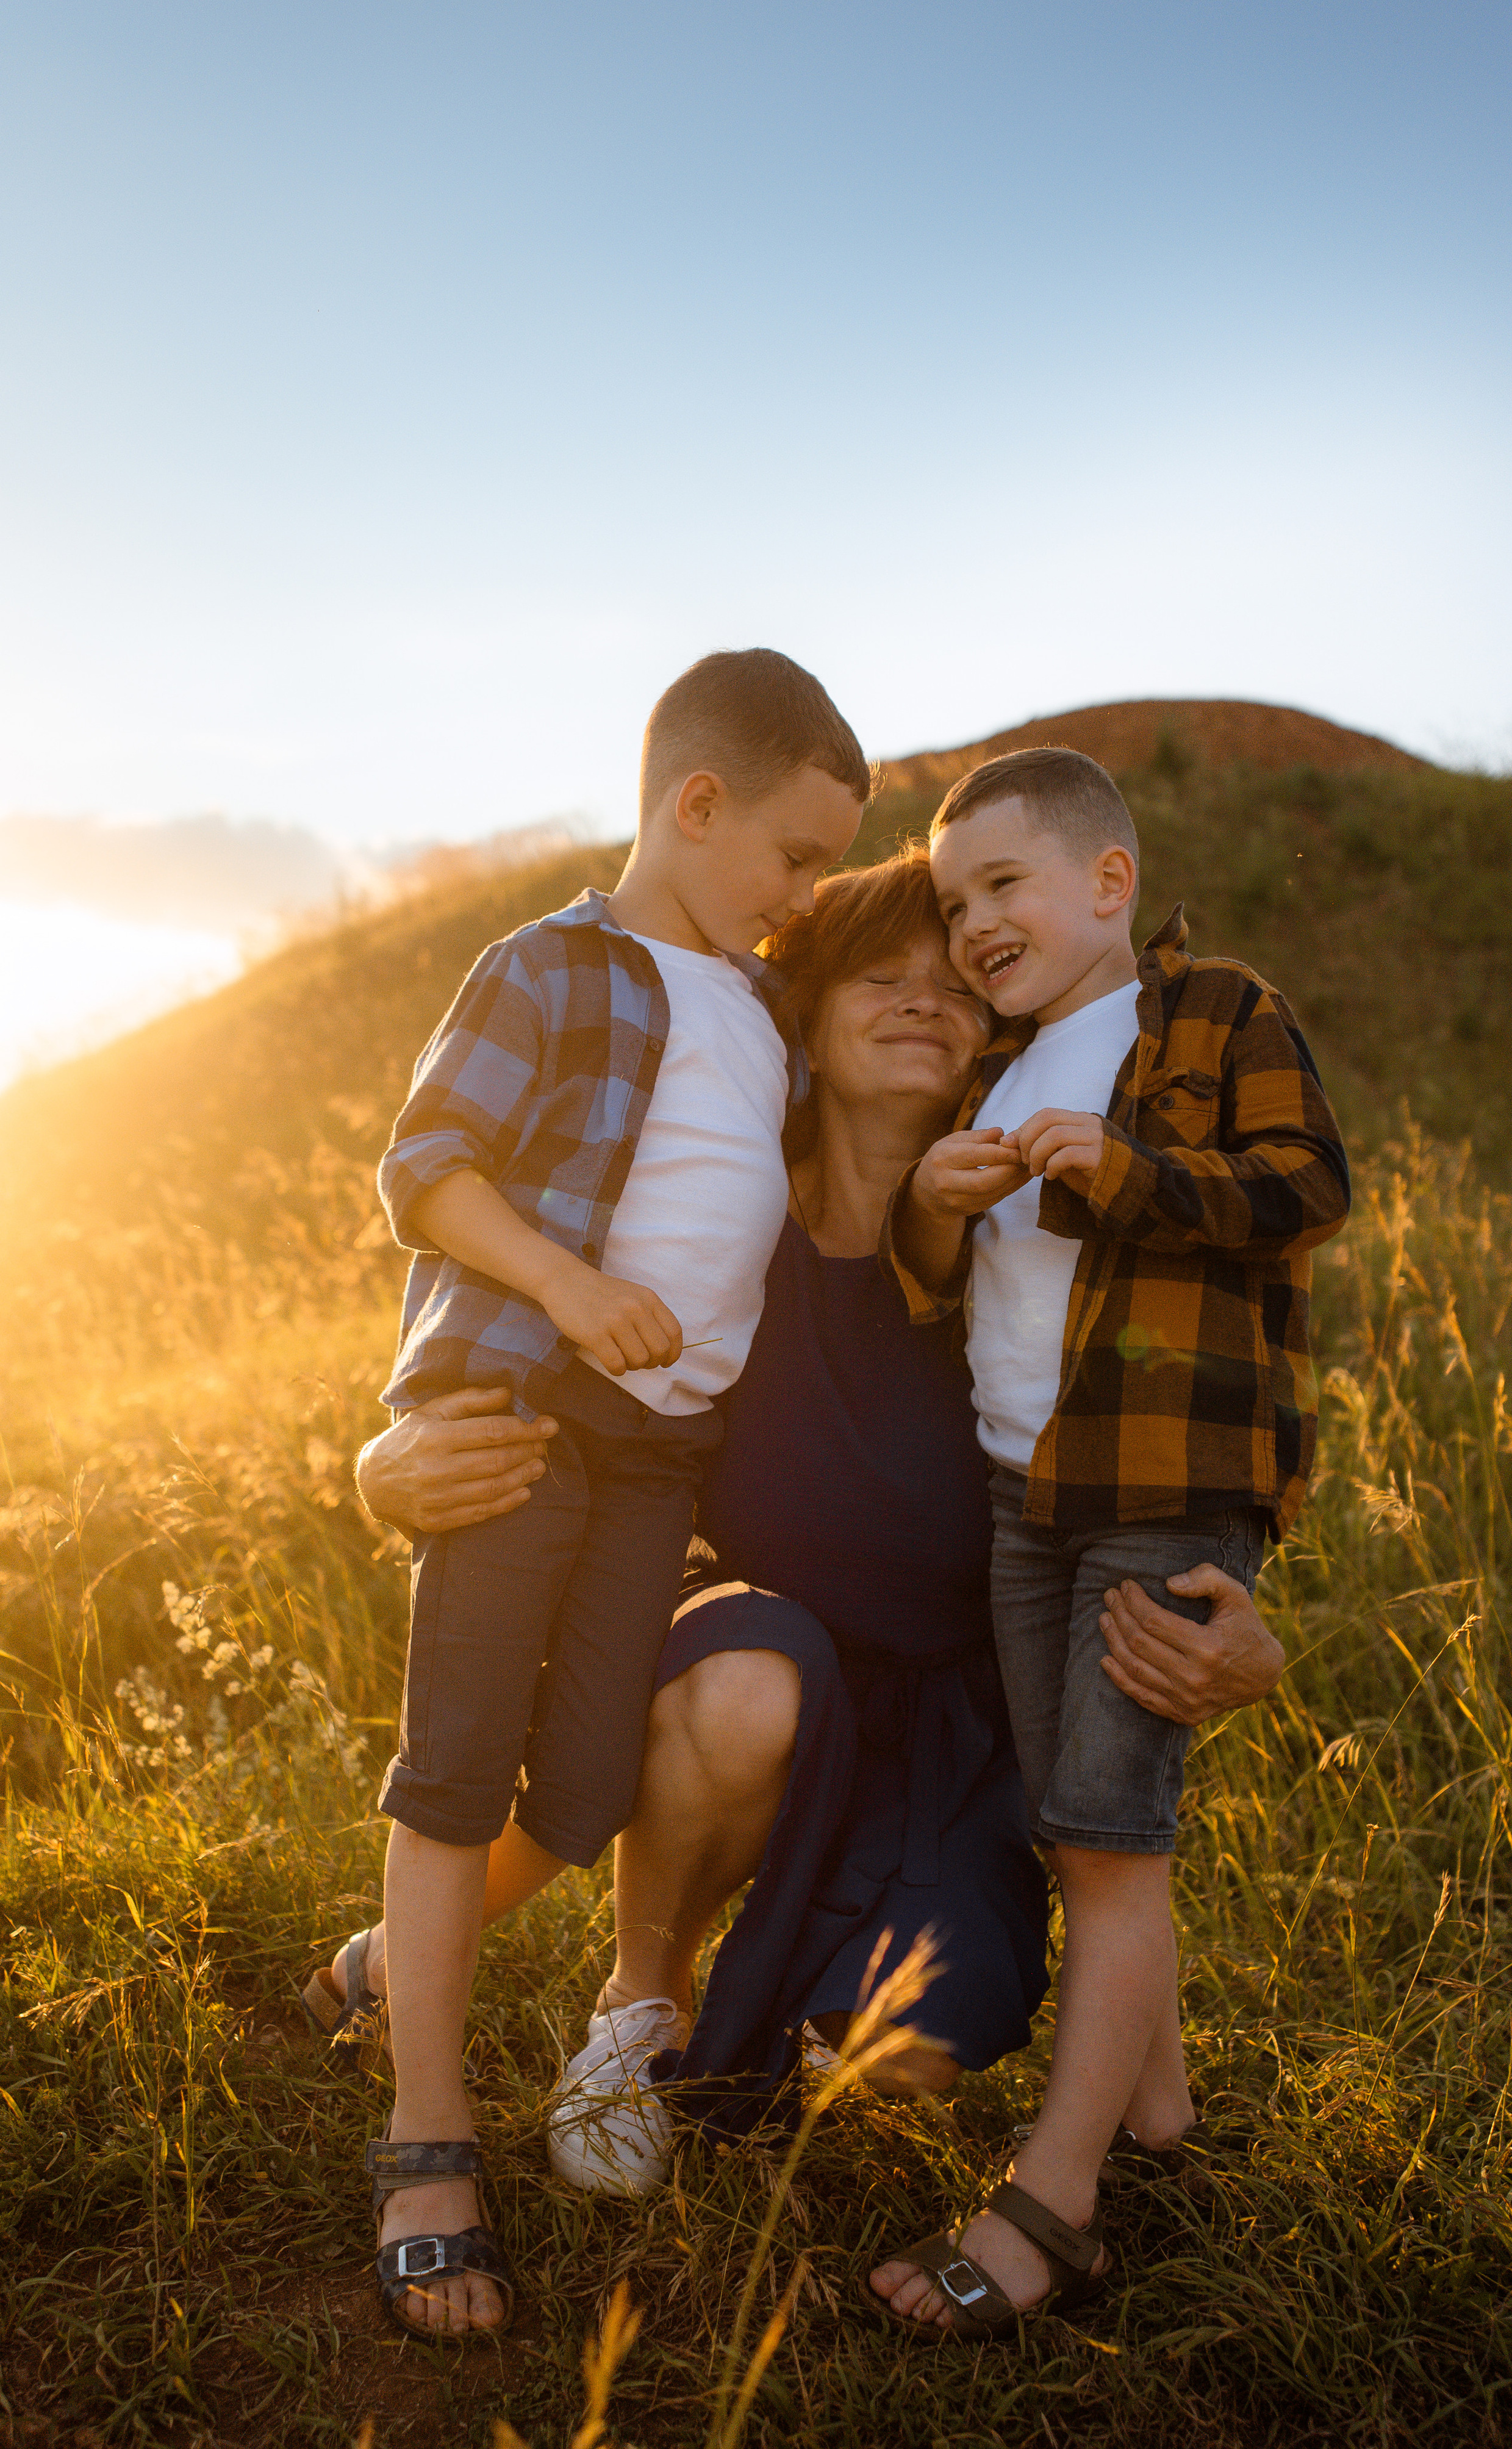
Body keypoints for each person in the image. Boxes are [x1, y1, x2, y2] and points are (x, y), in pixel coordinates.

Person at [320, 852, 1288, 2300]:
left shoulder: (1035, 1235)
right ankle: (639, 2001)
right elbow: (531, 1352)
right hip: (752, 1660)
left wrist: (1258, 1639)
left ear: (990, 1036)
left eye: (954, 987)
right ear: (801, 1011)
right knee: (748, 1681)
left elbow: (1183, 1446)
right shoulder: (721, 1219)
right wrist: (379, 1467)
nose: (920, 1001)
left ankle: (416, 1954)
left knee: (905, 2054)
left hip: (958, 1716)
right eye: (876, 976)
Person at [353, 648, 865, 2339]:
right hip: (527, 1409)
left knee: (575, 1793)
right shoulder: (561, 963)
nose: (804, 897)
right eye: (794, 854)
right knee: (456, 1774)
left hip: (658, 1452)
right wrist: (568, 1293)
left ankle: (376, 1965)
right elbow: (424, 1164)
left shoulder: (762, 1005)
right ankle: (429, 2143)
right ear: (695, 803)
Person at [869, 746, 1349, 2339]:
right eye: (954, 903)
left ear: (1106, 882)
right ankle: (1159, 2118)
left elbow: (1307, 1183)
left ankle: (1050, 2205)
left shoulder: (1204, 1014)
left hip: (1163, 1484)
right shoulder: (995, 1074)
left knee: (1114, 1833)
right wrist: (933, 1204)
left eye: (1001, 884)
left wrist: (1132, 1172)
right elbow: (944, 1288)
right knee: (1082, 1828)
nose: (974, 923)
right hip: (1027, 1494)